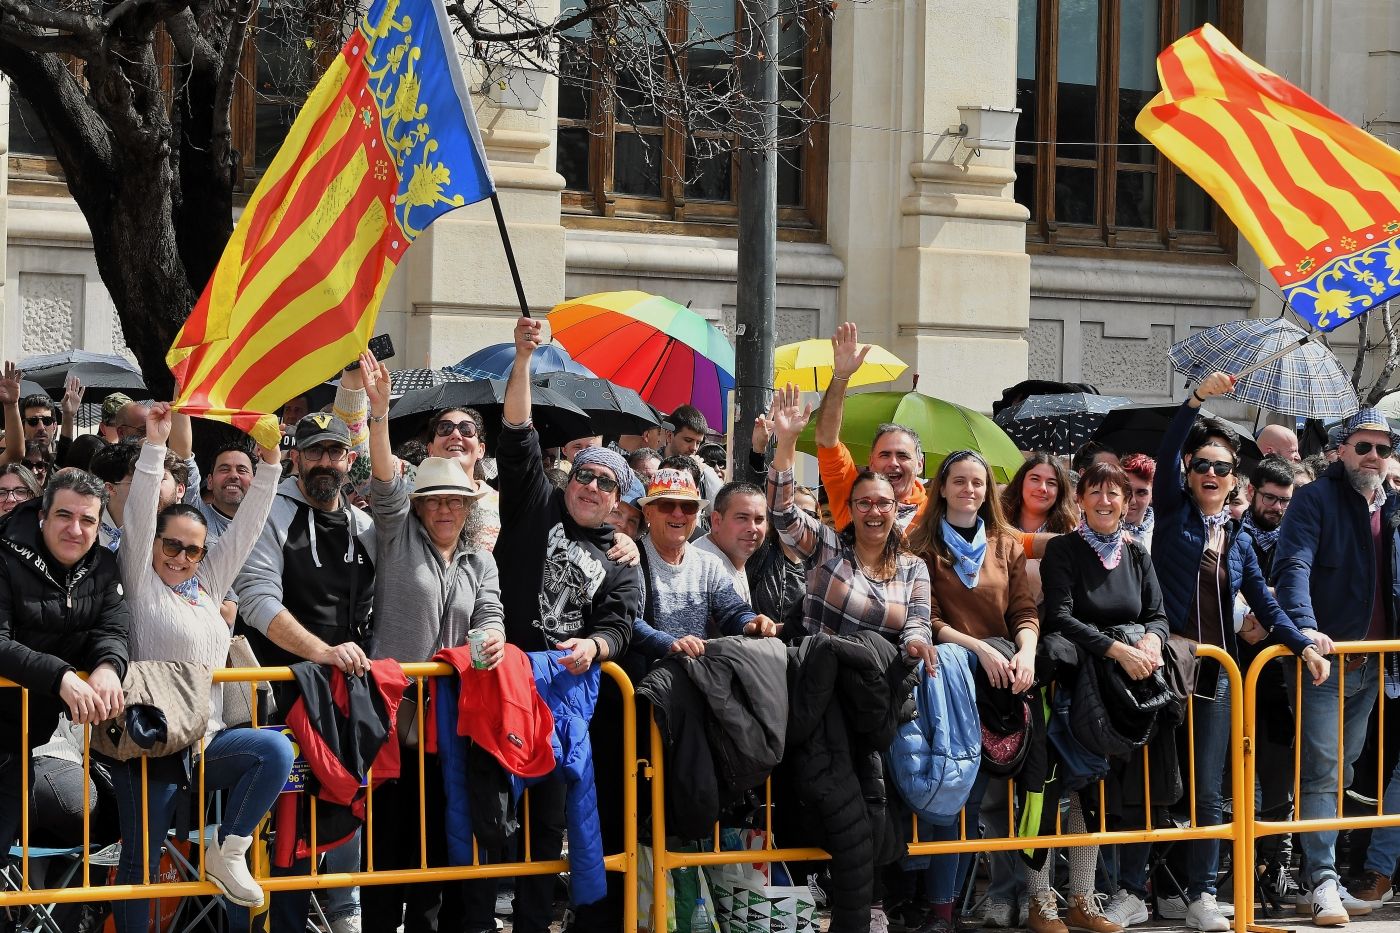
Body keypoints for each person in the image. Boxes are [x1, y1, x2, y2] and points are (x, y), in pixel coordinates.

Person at [1103, 374, 1328, 933]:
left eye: (1223, 468)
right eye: (1202, 464)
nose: (1211, 473)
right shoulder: (1174, 515)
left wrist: (1302, 645)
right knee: (1152, 785)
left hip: (1219, 677)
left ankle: (1201, 893)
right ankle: (1134, 891)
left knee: (1208, 792)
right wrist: (1197, 400)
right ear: (1187, 472)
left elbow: (1268, 608)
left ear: (1236, 483)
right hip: (1164, 670)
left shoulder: (1242, 539)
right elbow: (1169, 445)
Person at [463, 316, 643, 933]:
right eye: (585, 474)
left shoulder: (620, 560)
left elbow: (620, 625)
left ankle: (536, 924)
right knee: (488, 817)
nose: (591, 486)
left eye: (605, 482)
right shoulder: (537, 503)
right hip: (500, 686)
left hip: (561, 698)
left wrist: (595, 645)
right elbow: (515, 432)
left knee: (546, 826)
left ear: (618, 499)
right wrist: (521, 359)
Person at [110, 402, 291, 929]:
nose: (181, 557)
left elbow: (246, 531)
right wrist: (155, 446)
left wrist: (272, 461)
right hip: (151, 742)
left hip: (207, 742)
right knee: (141, 864)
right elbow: (141, 512)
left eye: (193, 551)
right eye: (172, 546)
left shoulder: (207, 587)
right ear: (153, 546)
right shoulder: (140, 582)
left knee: (274, 748)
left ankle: (229, 852)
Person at [358, 354, 507, 931]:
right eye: (435, 500)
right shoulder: (397, 534)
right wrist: (378, 412)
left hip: (454, 719)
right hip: (393, 716)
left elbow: (492, 612)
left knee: (437, 849)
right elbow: (384, 481)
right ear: (419, 505)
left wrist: (490, 637)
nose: (445, 509)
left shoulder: (478, 557)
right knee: (388, 851)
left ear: (469, 506)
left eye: (456, 501)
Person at [234, 411, 375, 933]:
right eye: (314, 451)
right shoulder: (271, 513)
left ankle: (344, 911)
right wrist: (321, 651)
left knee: (346, 806)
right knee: (284, 827)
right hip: (277, 697)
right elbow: (256, 599)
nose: (324, 462)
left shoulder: (364, 526)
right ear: (294, 457)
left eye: (334, 452)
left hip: (342, 698)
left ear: (349, 460)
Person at [1274, 405, 1400, 925]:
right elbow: (1293, 564)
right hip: (1324, 660)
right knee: (1325, 769)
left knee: (1341, 769)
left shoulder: (1394, 507)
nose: (1373, 457)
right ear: (1342, 449)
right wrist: (1304, 629)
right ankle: (1324, 879)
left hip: (1374, 662)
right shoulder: (1313, 499)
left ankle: (1318, 876)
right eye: (1364, 446)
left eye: (1383, 448)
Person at [905, 449, 1039, 933]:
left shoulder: (1005, 545)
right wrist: (978, 648)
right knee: (955, 798)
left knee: (982, 800)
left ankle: (956, 905)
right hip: (951, 685)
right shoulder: (919, 545)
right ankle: (941, 908)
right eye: (958, 481)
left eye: (977, 483)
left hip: (1004, 686)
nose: (969, 490)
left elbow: (1024, 611)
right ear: (941, 488)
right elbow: (929, 618)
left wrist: (1026, 651)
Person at [1037, 461, 1172, 933]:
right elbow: (1060, 616)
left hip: (1117, 695)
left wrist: (1152, 641)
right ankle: (1039, 903)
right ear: (1080, 499)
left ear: (1126, 500)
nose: (1105, 502)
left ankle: (1082, 900)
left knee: (1091, 797)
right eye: (1095, 492)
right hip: (1068, 691)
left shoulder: (1136, 553)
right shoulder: (1063, 550)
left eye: (1114, 493)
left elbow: (1157, 613)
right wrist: (1116, 649)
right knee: (1055, 790)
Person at [0, 468, 129, 912]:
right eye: (64, 516)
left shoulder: (104, 565)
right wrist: (61, 676)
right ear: (42, 515)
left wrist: (109, 667)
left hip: (22, 739)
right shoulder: (3, 556)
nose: (75, 529)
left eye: (88, 520)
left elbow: (113, 628)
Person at [636, 469, 777, 650]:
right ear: (648, 512)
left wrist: (751, 623)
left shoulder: (709, 564)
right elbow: (626, 621)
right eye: (667, 505)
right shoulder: (631, 559)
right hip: (642, 677)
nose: (678, 514)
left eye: (688, 507)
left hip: (695, 674)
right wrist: (670, 644)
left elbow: (732, 610)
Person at [815, 324, 926, 533]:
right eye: (885, 455)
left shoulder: (935, 513)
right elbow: (826, 439)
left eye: (902, 455)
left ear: (920, 464)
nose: (893, 463)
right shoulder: (851, 493)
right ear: (871, 461)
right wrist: (841, 377)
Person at [89, 440, 189, 551]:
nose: (149, 487)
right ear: (110, 488)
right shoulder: (87, 524)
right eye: (138, 480)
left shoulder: (161, 536)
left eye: (159, 479)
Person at [746, 482, 817, 639]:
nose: (802, 520)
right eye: (795, 512)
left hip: (799, 654)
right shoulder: (760, 550)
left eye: (810, 515)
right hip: (759, 649)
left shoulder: (819, 565)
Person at [695, 481, 767, 602]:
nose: (752, 528)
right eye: (742, 518)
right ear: (717, 521)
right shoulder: (701, 568)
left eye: (759, 519)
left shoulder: (732, 556)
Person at [199, 443, 256, 539]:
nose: (233, 475)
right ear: (210, 481)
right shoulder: (196, 513)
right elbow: (183, 455)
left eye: (242, 470)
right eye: (224, 469)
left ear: (255, 482)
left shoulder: (267, 526)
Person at [1120, 453, 1155, 547]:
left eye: (1141, 493)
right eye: (1126, 491)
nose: (1132, 501)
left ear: (1153, 494)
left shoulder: (1164, 533)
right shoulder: (1097, 531)